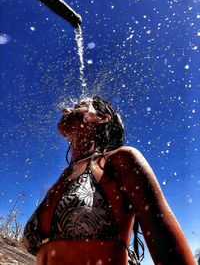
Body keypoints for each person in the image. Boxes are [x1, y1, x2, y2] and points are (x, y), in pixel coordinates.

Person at [23, 96, 195, 265]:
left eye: (80, 105)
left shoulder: (120, 160)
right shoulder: (65, 175)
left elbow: (171, 252)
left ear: (102, 118)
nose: (66, 110)